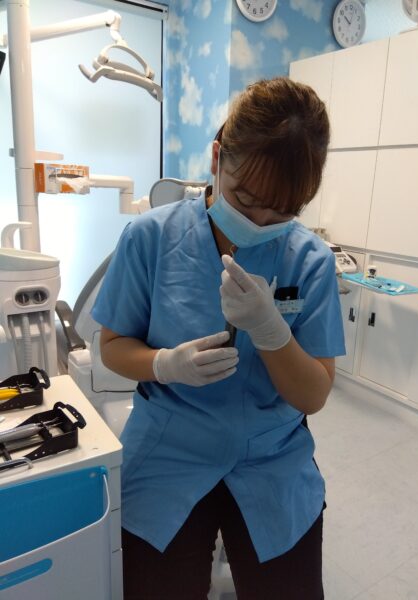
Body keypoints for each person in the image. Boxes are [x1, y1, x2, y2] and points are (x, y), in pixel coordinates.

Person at [91, 76, 346, 600]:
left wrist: (271, 332)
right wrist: (164, 364)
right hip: (169, 449)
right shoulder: (150, 238)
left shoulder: (310, 260)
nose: (260, 221)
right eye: (245, 199)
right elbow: (111, 347)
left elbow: (313, 395)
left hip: (273, 458)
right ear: (216, 157)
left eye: (283, 212)